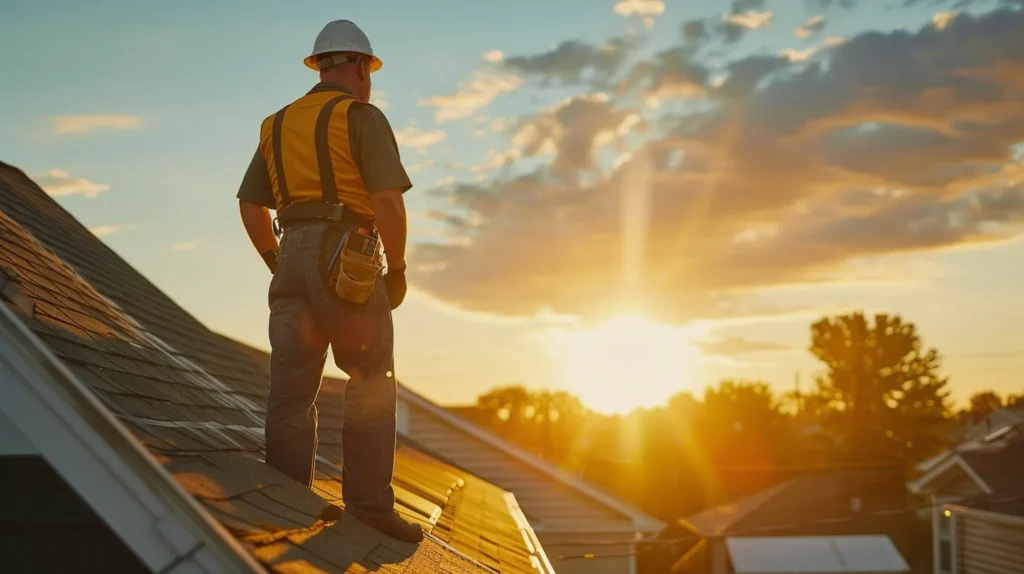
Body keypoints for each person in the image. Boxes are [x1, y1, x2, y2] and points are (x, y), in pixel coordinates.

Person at [235, 19, 421, 543]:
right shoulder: (361, 115)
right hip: (349, 252)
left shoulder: (275, 124)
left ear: (318, 65)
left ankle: (289, 500)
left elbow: (251, 205)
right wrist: (399, 269)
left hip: (290, 248)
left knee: (290, 388)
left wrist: (279, 260)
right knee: (369, 379)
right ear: (362, 67)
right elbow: (386, 200)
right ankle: (367, 507)